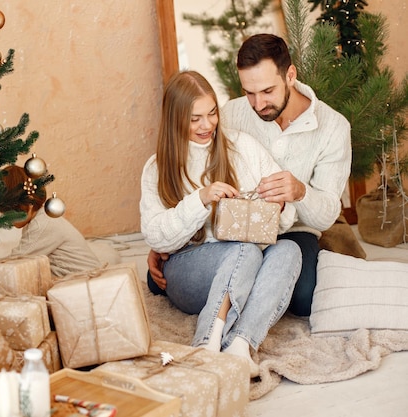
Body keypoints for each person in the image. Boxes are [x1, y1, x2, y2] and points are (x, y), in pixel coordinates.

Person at [148, 34, 351, 317]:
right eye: (249, 92)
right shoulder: (228, 113)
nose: (257, 104)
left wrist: (300, 192)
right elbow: (193, 171)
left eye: (267, 91)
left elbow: (327, 215)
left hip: (292, 231)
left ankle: (241, 293)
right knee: (160, 278)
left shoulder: (333, 127)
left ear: (290, 75)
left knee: (304, 299)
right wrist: (171, 239)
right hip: (228, 233)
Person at [140, 70, 302, 377]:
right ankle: (207, 344)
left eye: (212, 113)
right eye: (195, 118)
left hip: (247, 262)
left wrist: (277, 206)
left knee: (289, 250)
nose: (207, 125)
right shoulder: (157, 168)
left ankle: (241, 346)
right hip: (188, 272)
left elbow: (289, 216)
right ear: (176, 118)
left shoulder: (243, 147)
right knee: (244, 250)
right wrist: (200, 199)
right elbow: (156, 237)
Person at [2, 165, 102, 277]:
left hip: (86, 282)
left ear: (28, 203)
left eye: (8, 213)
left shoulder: (42, 224)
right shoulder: (40, 218)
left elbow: (14, 262)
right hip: (74, 280)